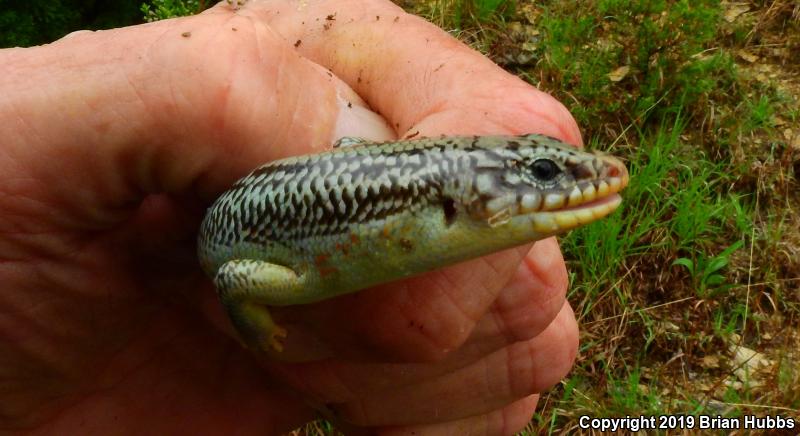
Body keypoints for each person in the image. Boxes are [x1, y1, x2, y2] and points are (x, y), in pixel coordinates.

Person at [0, 0, 581, 434]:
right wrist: (260, 332)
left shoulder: (430, 214)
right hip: (226, 240)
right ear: (457, 194)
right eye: (542, 174)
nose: (585, 177)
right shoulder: (289, 272)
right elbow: (230, 277)